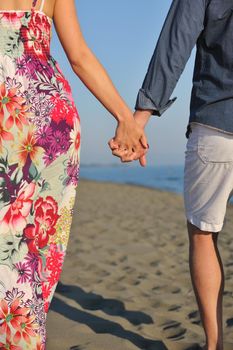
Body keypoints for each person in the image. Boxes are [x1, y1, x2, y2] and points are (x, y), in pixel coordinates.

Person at [0, 0, 148, 348]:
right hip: (51, 123)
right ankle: (23, 334)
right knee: (35, 247)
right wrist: (125, 118)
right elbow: (78, 56)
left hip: (9, 117)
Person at [110, 1, 233, 349]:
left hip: (218, 121)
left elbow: (176, 41)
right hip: (217, 122)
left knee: (203, 235)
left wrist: (140, 118)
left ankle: (214, 345)